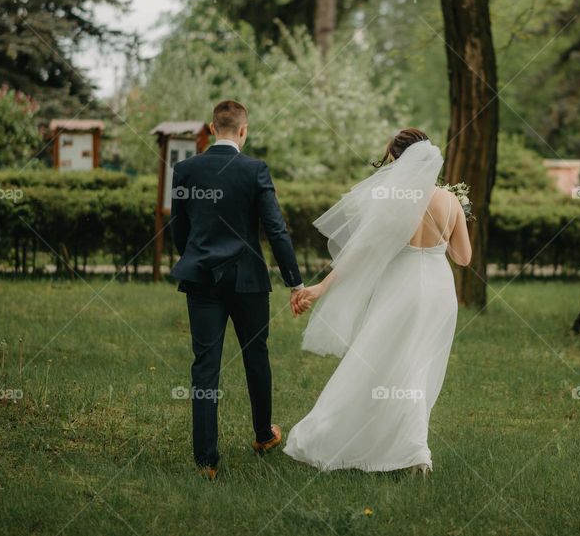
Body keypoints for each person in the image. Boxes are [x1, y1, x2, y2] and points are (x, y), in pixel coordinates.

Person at [285, 128, 471, 475]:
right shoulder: (450, 201)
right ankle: (413, 450)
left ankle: (399, 447)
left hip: (401, 289)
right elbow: (463, 258)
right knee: (418, 367)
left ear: (398, 160)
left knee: (373, 362)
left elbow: (359, 254)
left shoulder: (395, 199)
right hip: (438, 291)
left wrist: (320, 288)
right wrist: (452, 224)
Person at [170, 99, 305, 480]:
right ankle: (264, 435)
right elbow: (275, 229)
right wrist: (293, 281)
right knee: (256, 355)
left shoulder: (185, 170)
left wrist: (194, 256)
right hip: (247, 281)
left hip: (202, 279)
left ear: (213, 128)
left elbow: (178, 227)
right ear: (243, 130)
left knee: (205, 366)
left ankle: (206, 461)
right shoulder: (255, 170)